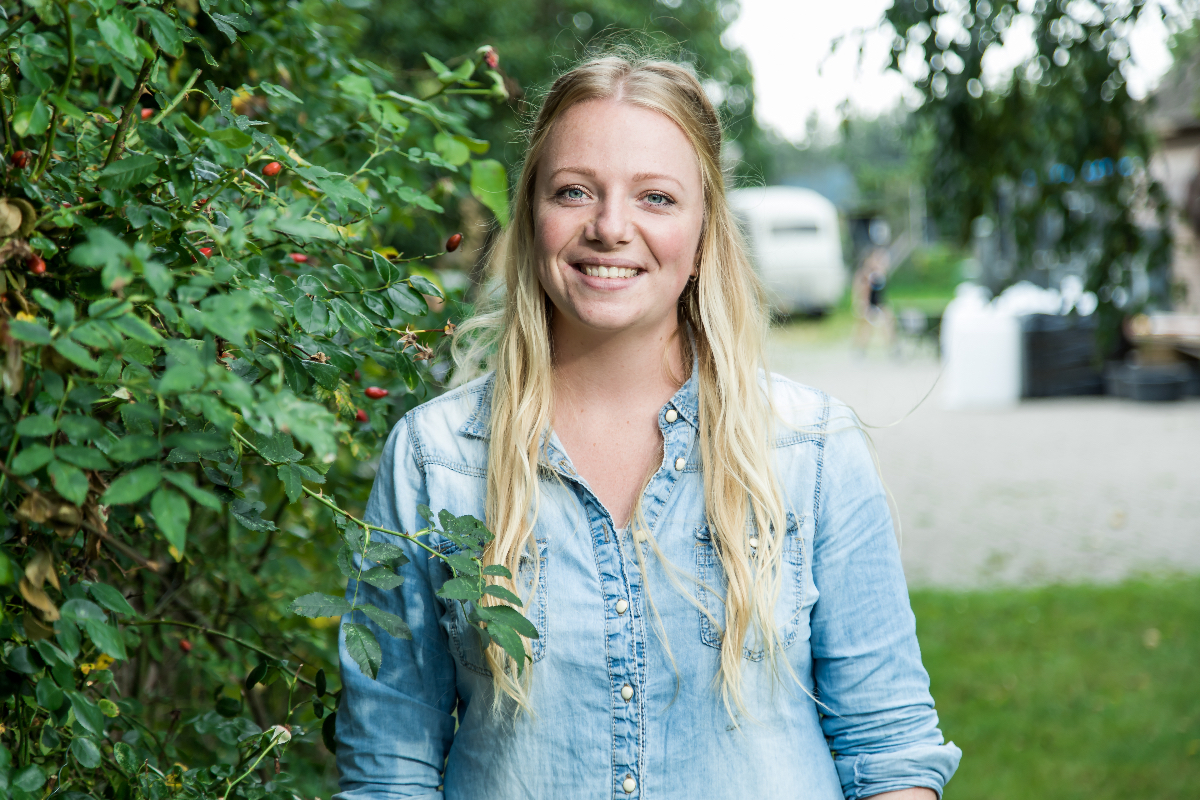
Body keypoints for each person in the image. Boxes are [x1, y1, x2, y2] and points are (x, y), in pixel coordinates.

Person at [335, 54, 961, 800]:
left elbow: (889, 752)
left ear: (703, 234)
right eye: (574, 191)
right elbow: (390, 767)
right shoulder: (435, 460)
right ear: (532, 216)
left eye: (656, 197)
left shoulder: (812, 451)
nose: (609, 227)